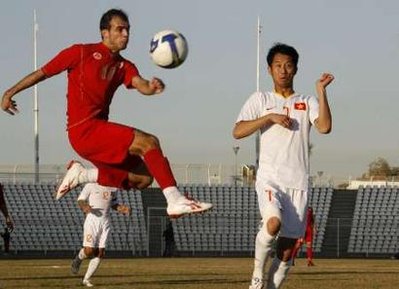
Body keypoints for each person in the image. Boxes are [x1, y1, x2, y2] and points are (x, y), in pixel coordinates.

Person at [1, 8, 212, 218]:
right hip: (83, 130)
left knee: (143, 178)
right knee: (149, 142)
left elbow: (141, 85)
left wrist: (152, 86)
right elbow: (42, 73)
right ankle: (175, 200)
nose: (126, 34)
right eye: (120, 29)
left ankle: (83, 174)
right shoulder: (80, 52)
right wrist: (10, 92)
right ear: (104, 32)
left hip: (96, 133)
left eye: (128, 30)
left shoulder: (124, 65)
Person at [233, 43, 334, 289]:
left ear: (295, 69)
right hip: (270, 178)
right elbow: (237, 131)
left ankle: (270, 286)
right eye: (278, 65)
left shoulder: (306, 101)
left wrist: (321, 91)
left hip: (297, 182)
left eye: (288, 65)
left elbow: (324, 127)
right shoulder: (261, 99)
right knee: (272, 223)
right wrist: (268, 117)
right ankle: (257, 273)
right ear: (269, 70)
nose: (283, 70)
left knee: (287, 252)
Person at [71, 183, 131, 287]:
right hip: (92, 221)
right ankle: (79, 258)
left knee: (100, 252)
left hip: (105, 222)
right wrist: (84, 206)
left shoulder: (114, 187)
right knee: (89, 251)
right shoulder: (90, 185)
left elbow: (113, 203)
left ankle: (86, 279)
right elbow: (80, 200)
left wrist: (121, 208)